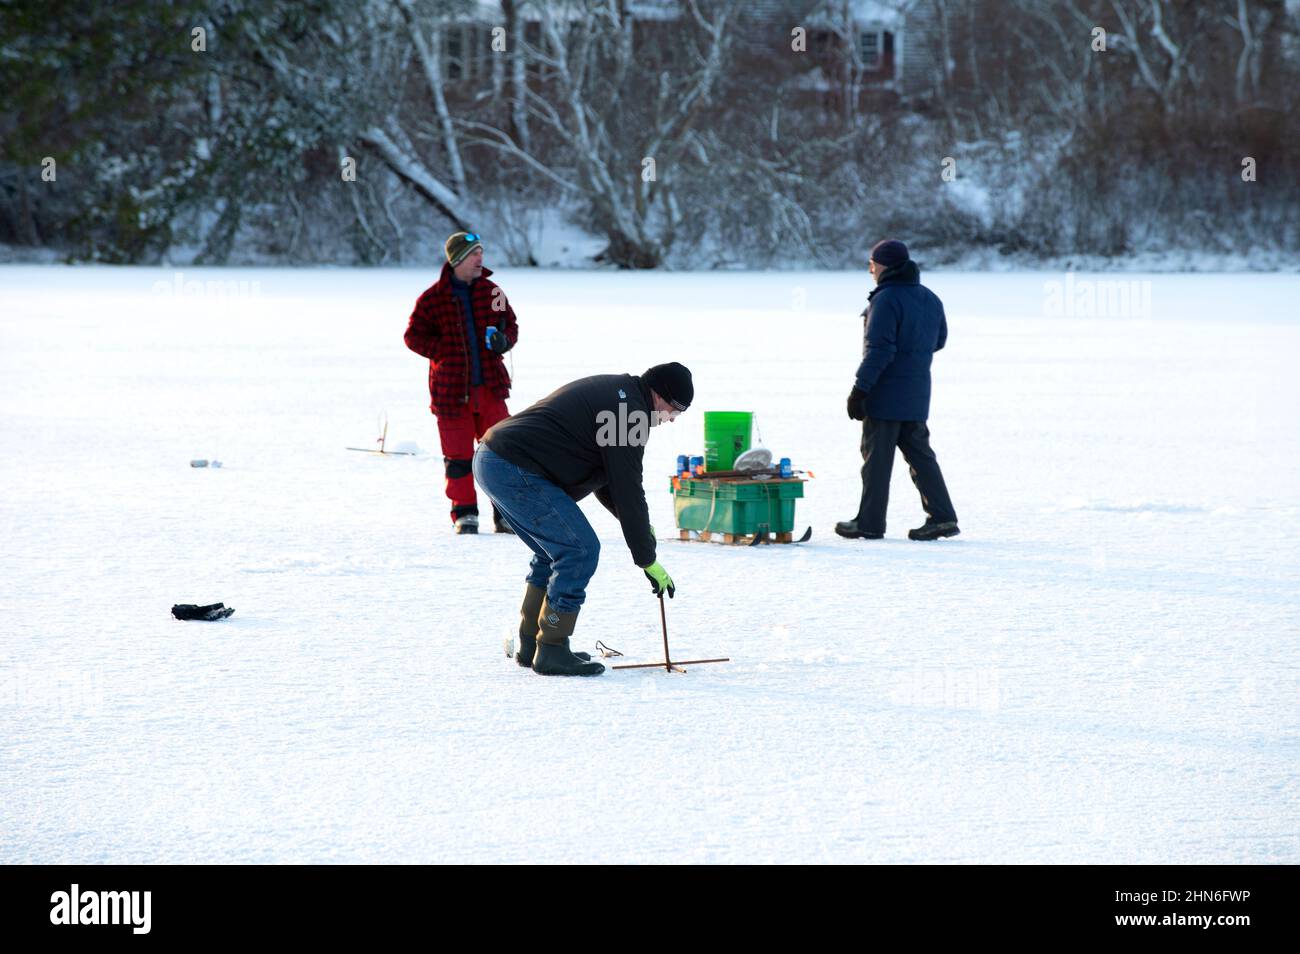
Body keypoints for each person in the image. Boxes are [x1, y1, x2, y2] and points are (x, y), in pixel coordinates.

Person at [473, 363, 692, 676]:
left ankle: (532, 643)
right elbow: (627, 488)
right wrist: (647, 558)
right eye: (674, 410)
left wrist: (639, 529)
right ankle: (551, 648)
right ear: (660, 395)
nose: (670, 419)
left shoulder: (622, 397)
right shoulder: (629, 413)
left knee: (555, 550)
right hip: (511, 465)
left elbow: (608, 481)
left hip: (493, 458)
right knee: (580, 550)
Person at [838, 239, 959, 541]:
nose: (870, 269)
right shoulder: (930, 298)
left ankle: (869, 523)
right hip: (916, 393)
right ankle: (942, 517)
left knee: (876, 461)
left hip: (884, 393)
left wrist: (859, 390)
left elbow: (878, 351)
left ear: (882, 265)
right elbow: (939, 340)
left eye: (871, 263)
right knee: (921, 458)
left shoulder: (885, 300)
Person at [403, 231, 518, 535]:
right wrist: (442, 352)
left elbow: (512, 326)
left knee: (501, 453)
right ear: (456, 260)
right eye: (473, 254)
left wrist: (503, 341)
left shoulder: (493, 293)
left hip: (491, 389)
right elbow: (412, 337)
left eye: (481, 252)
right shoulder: (432, 298)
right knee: (459, 458)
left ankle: (506, 514)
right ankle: (464, 514)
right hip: (451, 393)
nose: (480, 259)